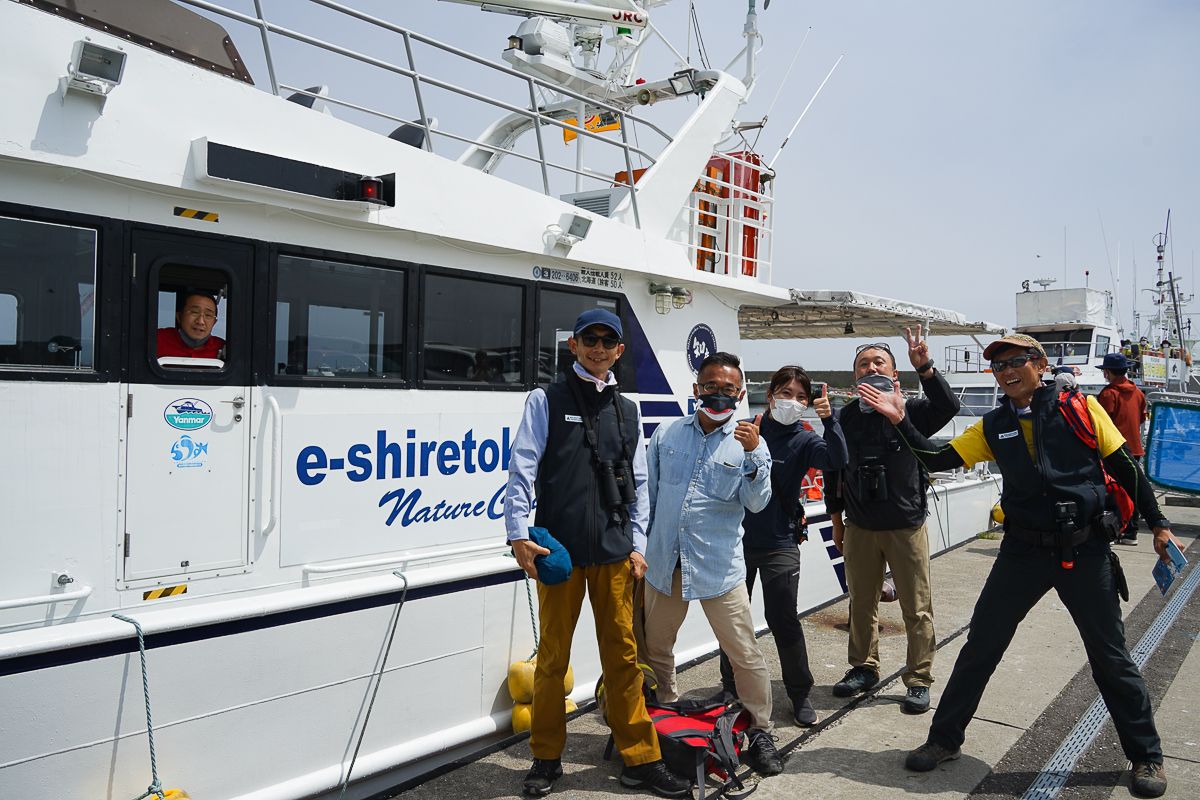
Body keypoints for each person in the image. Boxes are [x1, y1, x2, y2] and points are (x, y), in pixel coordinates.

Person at [859, 333, 1175, 799]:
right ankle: (944, 739)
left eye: (1017, 361)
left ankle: (1146, 754)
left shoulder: (1082, 409)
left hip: (1084, 550)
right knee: (980, 647)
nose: (1007, 371)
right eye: (999, 366)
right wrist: (900, 420)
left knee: (1111, 657)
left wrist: (1160, 524)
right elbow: (936, 457)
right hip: (1021, 553)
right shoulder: (992, 425)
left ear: (1040, 363)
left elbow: (1126, 466)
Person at [504, 309, 688, 798]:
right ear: (574, 344)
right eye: (590, 339)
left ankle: (640, 759)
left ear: (620, 350)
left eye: (609, 341)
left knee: (625, 659)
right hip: (558, 549)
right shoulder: (546, 399)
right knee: (551, 661)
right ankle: (545, 759)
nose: (599, 348)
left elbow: (639, 483)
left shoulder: (628, 410)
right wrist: (518, 533)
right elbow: (522, 465)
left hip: (612, 551)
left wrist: (638, 544)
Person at [641, 351, 784, 777]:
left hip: (719, 570)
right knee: (656, 648)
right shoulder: (666, 434)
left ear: (740, 395)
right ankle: (665, 716)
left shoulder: (750, 444)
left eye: (727, 389)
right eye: (710, 387)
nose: (718, 395)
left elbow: (758, 504)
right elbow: (648, 498)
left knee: (744, 653)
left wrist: (757, 455)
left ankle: (760, 730)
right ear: (696, 389)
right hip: (665, 564)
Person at [824, 326, 960, 714]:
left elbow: (948, 407)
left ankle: (918, 678)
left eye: (878, 362)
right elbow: (834, 472)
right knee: (861, 603)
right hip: (861, 526)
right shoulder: (845, 417)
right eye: (863, 364)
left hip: (905, 524)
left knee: (916, 607)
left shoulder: (911, 408)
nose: (871, 368)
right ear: (855, 376)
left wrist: (926, 369)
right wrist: (837, 522)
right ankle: (863, 668)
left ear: (894, 374)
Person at [716, 365, 849, 727]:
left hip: (780, 543)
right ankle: (730, 688)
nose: (792, 402)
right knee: (733, 620)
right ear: (771, 395)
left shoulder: (805, 439)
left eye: (801, 397)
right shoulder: (747, 429)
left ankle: (799, 693)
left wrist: (830, 422)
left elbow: (837, 461)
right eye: (786, 393)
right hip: (736, 541)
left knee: (782, 618)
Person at [1097, 352, 1149, 544]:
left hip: (1114, 450)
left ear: (1108, 372)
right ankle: (1130, 532)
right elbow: (1142, 418)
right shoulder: (1138, 393)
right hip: (1134, 449)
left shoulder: (1108, 394)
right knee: (1132, 491)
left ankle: (1112, 530)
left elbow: (1100, 423)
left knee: (1112, 491)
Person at [156, 291, 225, 359]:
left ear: (214, 322)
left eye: (208, 315)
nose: (200, 322)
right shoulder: (156, 340)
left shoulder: (223, 347)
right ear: (179, 316)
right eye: (194, 312)